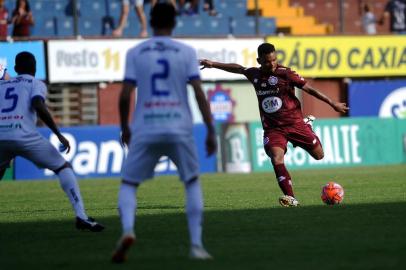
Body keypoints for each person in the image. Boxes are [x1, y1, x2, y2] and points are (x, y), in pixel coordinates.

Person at [111, 3, 216, 263]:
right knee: (191, 182)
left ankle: (127, 230)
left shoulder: (135, 51)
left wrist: (125, 127)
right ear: (174, 22)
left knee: (129, 184)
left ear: (150, 19)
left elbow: (125, 95)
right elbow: (199, 94)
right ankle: (196, 245)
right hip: (179, 126)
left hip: (145, 126)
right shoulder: (187, 52)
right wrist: (211, 129)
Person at [200, 43, 349, 207]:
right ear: (259, 60)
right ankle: (291, 197)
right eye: (266, 62)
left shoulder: (286, 73)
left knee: (319, 156)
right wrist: (213, 64)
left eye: (274, 60)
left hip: (295, 124)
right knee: (276, 158)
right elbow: (239, 69)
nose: (271, 64)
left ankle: (308, 127)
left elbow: (309, 89)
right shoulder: (254, 75)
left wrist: (332, 103)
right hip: (273, 129)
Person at [0, 52, 104, 232]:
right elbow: (38, 105)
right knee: (63, 167)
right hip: (24, 136)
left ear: (16, 69)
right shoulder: (36, 83)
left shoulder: (2, 84)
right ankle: (81, 216)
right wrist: (58, 134)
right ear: (35, 69)